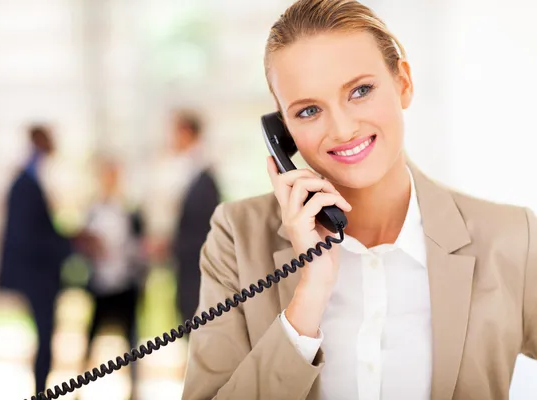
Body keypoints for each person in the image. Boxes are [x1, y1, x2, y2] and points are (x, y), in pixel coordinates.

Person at [181, 1, 537, 400]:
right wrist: (309, 296)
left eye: (360, 91)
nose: (343, 129)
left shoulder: (510, 238)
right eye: (309, 110)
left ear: (403, 82)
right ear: (282, 132)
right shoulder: (237, 238)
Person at [0, 124, 100, 395]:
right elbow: (31, 236)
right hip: (37, 274)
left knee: (46, 336)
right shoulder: (26, 183)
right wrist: (72, 243)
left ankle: (41, 388)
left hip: (39, 272)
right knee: (44, 336)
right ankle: (41, 390)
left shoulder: (31, 179)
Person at [82, 158, 148, 398]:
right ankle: (80, 387)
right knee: (90, 339)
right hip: (101, 284)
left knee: (131, 342)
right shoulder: (93, 210)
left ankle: (134, 390)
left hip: (125, 285)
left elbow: (141, 248)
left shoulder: (130, 211)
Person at [168, 110, 221, 325]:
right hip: (187, 261)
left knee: (195, 315)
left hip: (196, 264)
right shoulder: (186, 170)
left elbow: (201, 222)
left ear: (186, 133)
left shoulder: (203, 173)